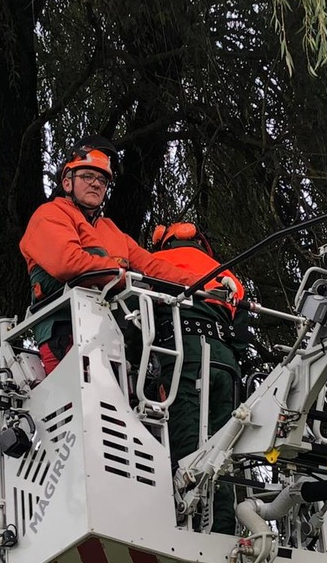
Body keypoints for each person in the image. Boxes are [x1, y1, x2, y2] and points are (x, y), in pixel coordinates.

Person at [19, 136, 197, 374]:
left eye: (102, 180)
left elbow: (154, 268)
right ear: (68, 182)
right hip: (66, 329)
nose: (96, 184)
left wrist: (204, 284)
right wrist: (124, 277)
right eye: (87, 176)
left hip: (115, 334)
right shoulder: (50, 214)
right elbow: (68, 263)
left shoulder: (112, 232)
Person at [150, 222, 248, 534]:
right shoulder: (226, 274)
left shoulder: (156, 264)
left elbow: (141, 317)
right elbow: (243, 336)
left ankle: (186, 526)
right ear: (202, 243)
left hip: (185, 354)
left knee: (188, 443)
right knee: (222, 450)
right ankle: (222, 530)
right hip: (225, 364)